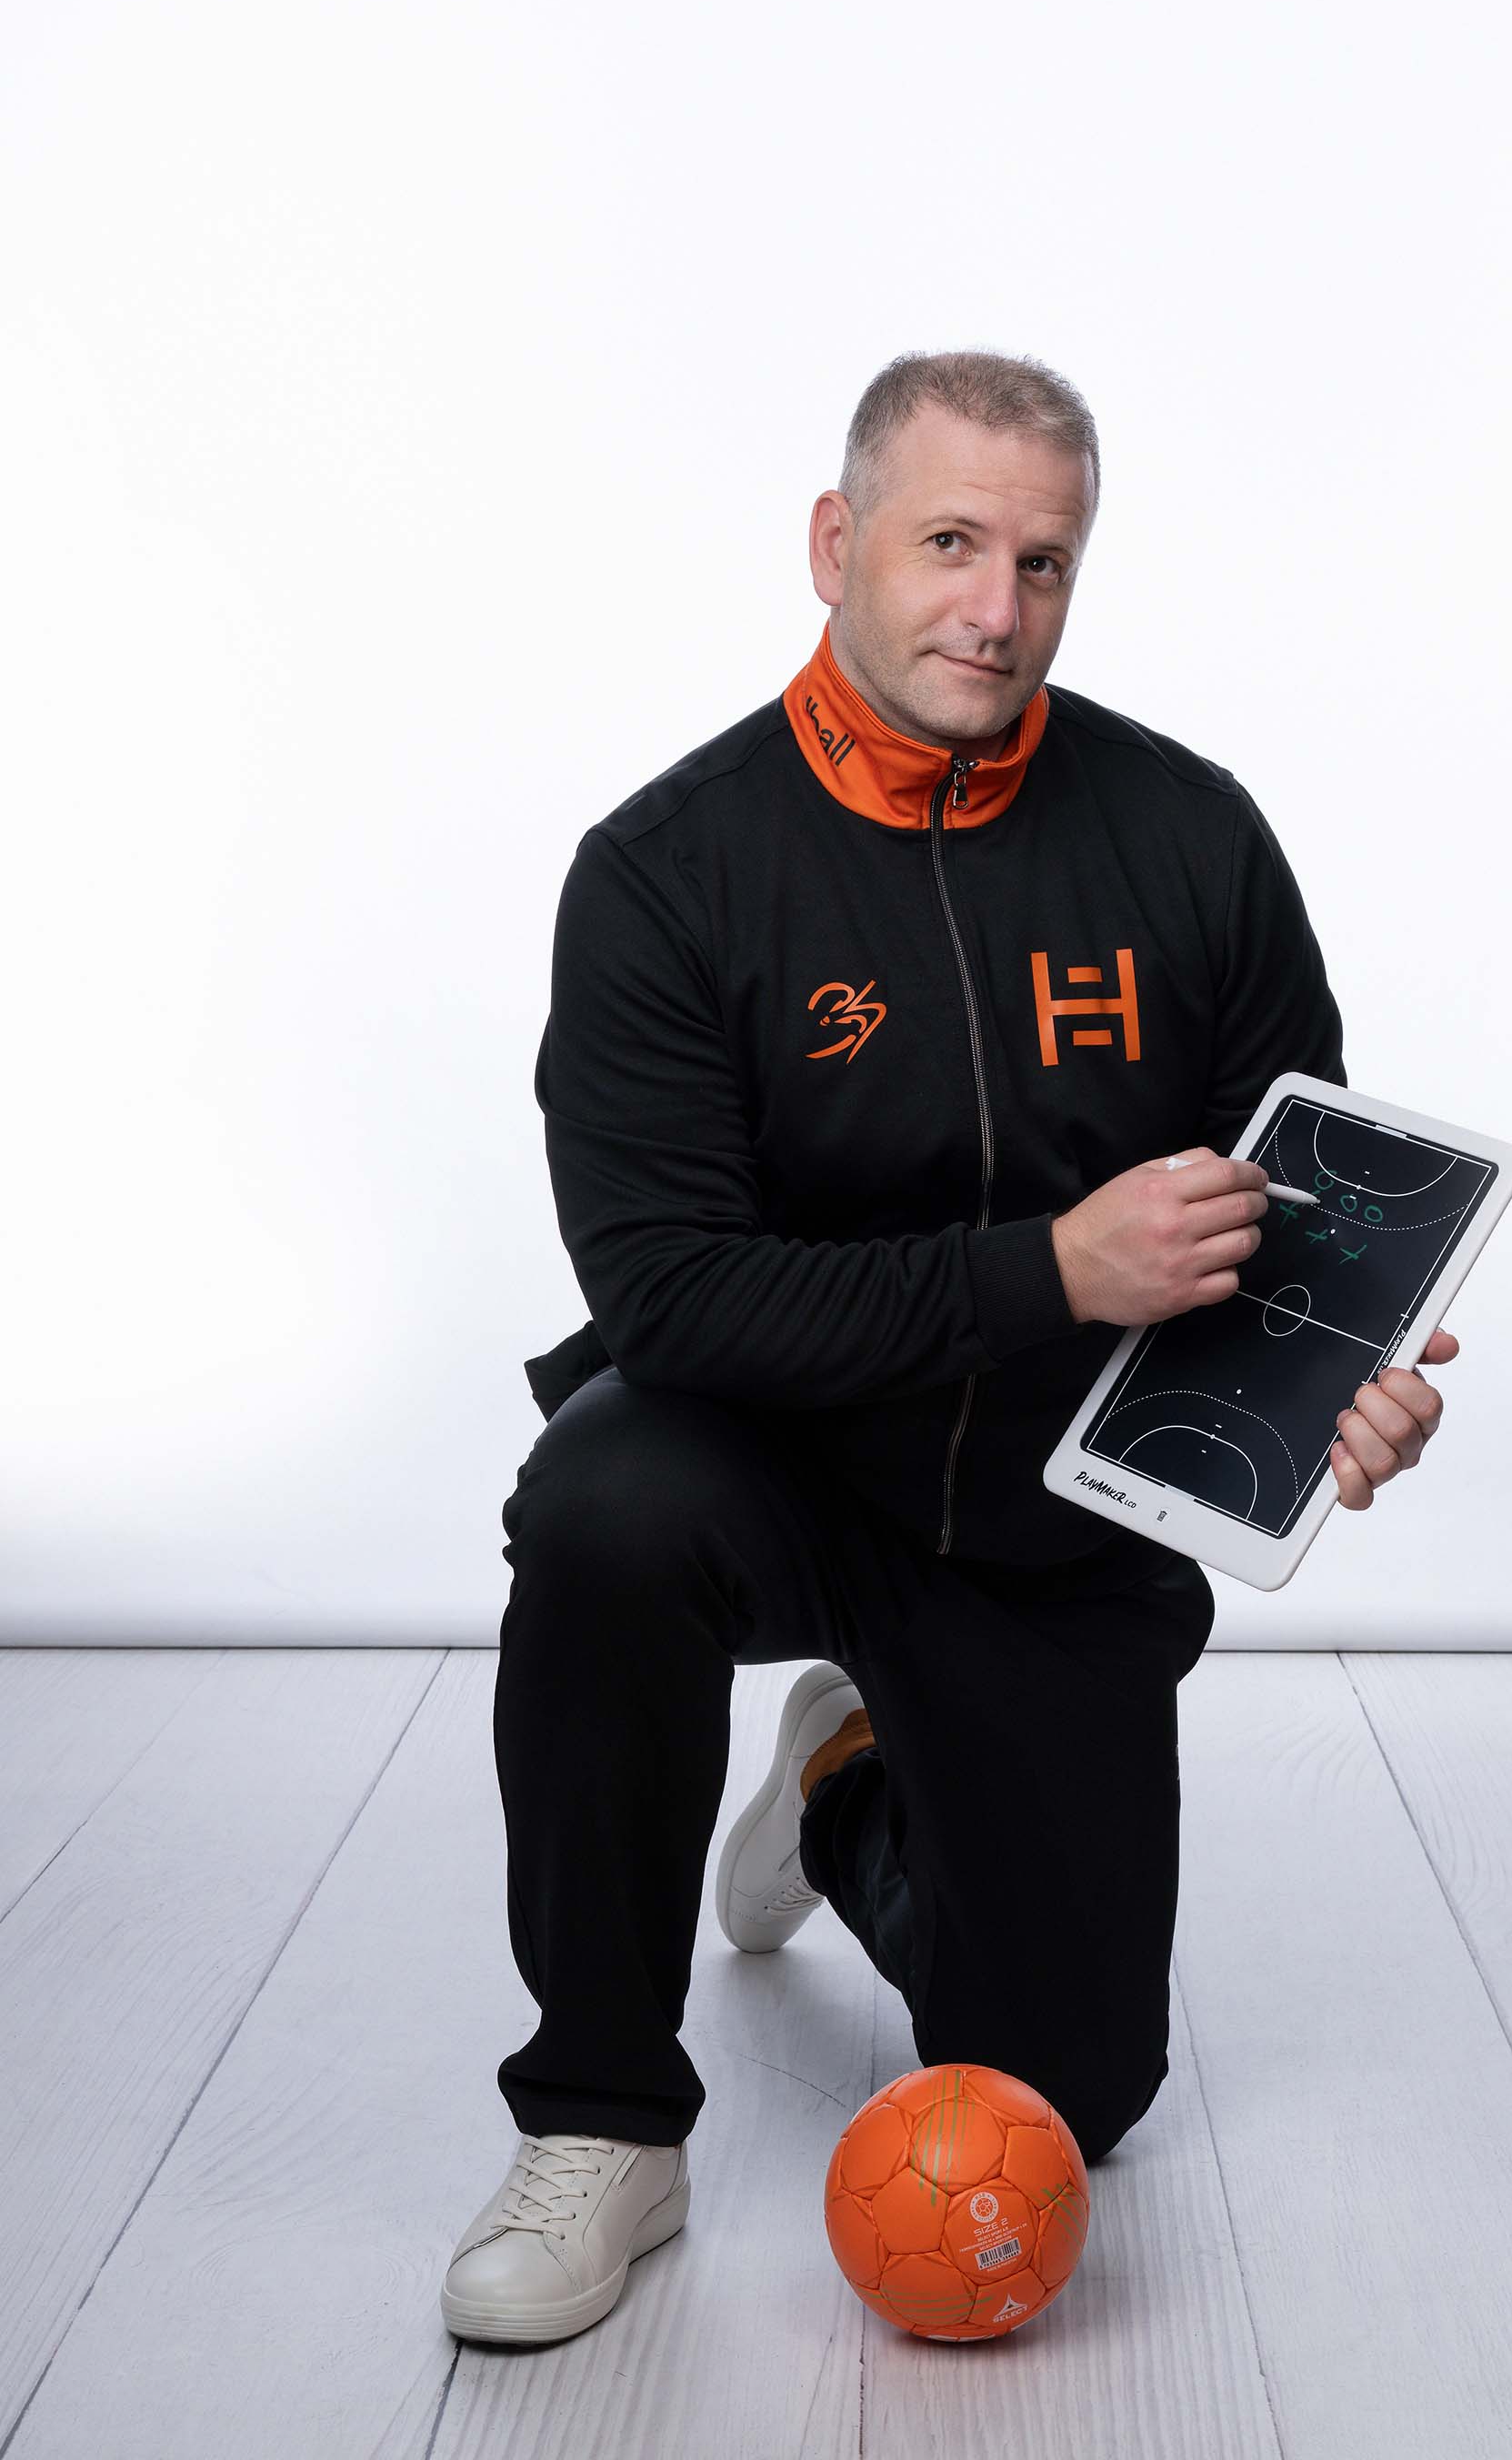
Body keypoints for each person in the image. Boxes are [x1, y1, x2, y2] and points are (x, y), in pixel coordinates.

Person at [440, 348, 1455, 2348]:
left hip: (1052, 1509)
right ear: (837, 545)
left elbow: (1298, 1210)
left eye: (1047, 561)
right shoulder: (667, 873)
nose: (999, 608)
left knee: (1071, 2108)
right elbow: (670, 1298)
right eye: (951, 543)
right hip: (766, 1461)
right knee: (602, 1502)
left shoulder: (1185, 832)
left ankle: (842, 1775)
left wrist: (1345, 1373)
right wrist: (1047, 1271)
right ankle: (601, 2119)